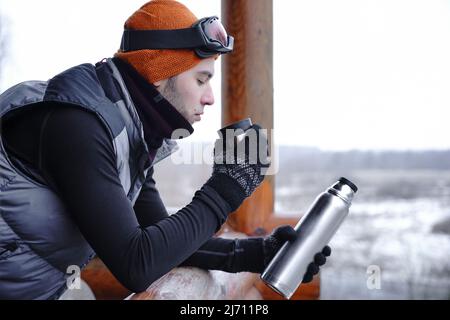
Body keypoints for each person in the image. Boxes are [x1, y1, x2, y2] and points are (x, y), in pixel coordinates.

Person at [0, 0, 330, 300]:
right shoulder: (77, 124)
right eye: (201, 80)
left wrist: (257, 253)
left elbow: (160, 241)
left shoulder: (132, 137)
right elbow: (137, 264)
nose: (210, 97)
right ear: (159, 75)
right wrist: (223, 192)